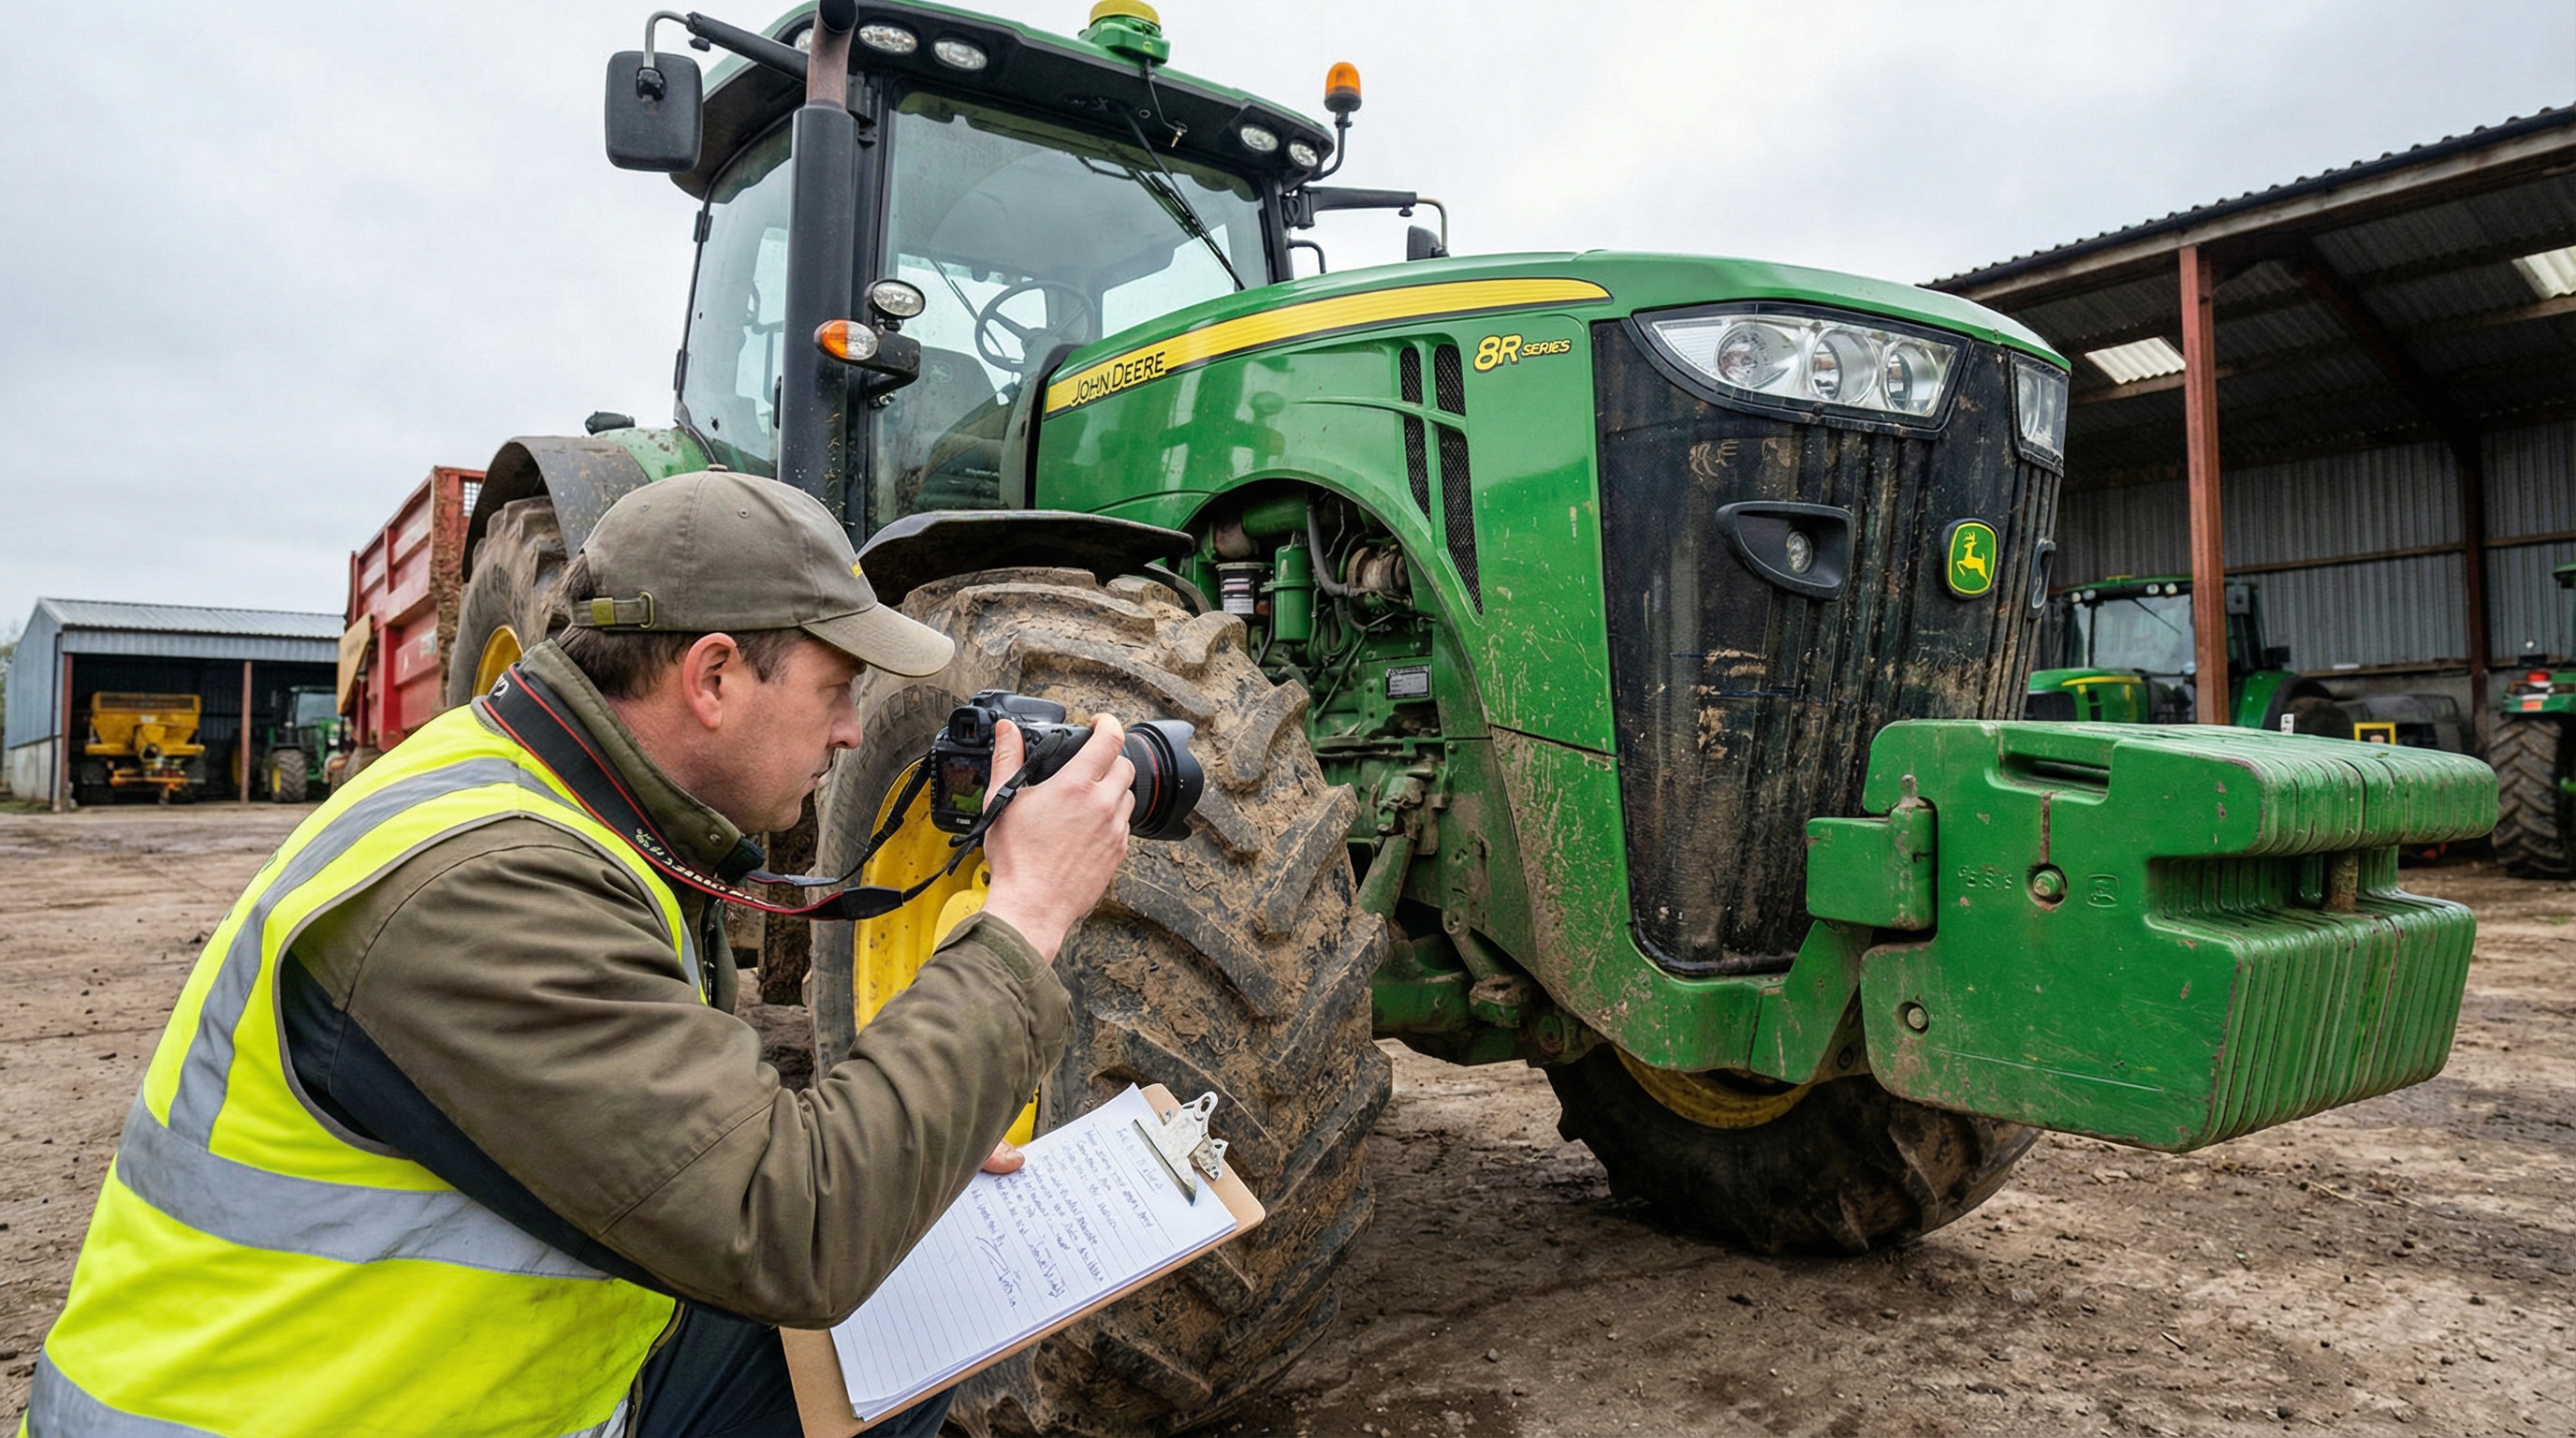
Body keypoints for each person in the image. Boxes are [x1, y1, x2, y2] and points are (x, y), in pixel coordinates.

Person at [24, 472, 1137, 1437]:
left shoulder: (564, 796)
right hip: (284, 1414)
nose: (851, 733)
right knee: (854, 1253)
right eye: (836, 690)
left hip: (463, 1388)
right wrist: (1026, 910)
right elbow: (792, 1227)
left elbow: (718, 1153)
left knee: (913, 1275)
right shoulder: (484, 888)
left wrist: (917, 1136)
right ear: (711, 679)